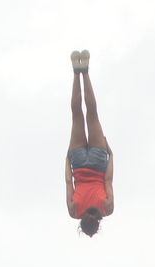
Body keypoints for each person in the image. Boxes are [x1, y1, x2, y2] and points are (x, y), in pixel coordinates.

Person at [66, 50, 114, 237]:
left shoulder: (106, 208)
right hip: (77, 162)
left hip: (98, 162)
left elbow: (108, 180)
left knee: (92, 114)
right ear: (81, 223)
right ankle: (77, 71)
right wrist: (66, 160)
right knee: (77, 116)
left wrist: (111, 157)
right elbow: (68, 180)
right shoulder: (74, 211)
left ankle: (84, 70)